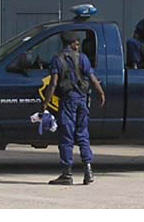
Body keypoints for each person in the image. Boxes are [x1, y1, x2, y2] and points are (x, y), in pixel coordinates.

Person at [42, 31, 105, 185]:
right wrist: (101, 93)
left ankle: (67, 174)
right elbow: (92, 78)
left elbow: (53, 83)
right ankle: (88, 171)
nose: (78, 45)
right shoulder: (82, 58)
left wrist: (45, 102)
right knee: (83, 134)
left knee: (66, 137)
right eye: (77, 43)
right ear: (71, 44)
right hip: (82, 100)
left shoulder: (57, 60)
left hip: (68, 100)